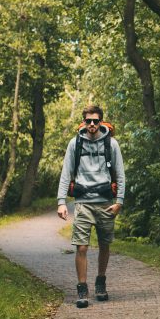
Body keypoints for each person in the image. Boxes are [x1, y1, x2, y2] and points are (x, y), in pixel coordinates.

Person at [57, 105, 125, 308]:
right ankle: (82, 288)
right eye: (88, 121)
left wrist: (119, 202)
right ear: (84, 122)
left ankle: (101, 282)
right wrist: (61, 202)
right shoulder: (74, 144)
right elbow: (66, 173)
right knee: (82, 246)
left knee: (105, 245)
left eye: (96, 121)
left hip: (105, 202)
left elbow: (120, 175)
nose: (92, 124)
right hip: (83, 203)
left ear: (101, 122)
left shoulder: (111, 144)